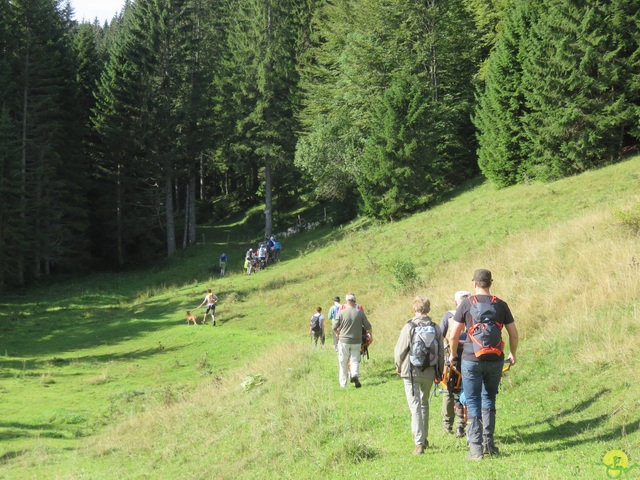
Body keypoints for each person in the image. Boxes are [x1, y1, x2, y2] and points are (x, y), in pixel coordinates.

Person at [448, 269, 519, 460]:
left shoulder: (467, 304)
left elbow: (453, 334)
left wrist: (453, 355)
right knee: (489, 399)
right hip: (495, 359)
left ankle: (475, 450)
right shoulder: (501, 305)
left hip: (472, 359)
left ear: (474, 284)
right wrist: (512, 353)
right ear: (490, 283)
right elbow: (514, 334)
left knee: (472, 402)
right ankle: (489, 444)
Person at [394, 296, 444, 454]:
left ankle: (419, 443)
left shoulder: (409, 326)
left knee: (414, 406)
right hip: (429, 372)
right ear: (428, 310)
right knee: (424, 404)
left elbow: (400, 350)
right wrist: (439, 373)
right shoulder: (436, 328)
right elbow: (441, 353)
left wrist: (398, 366)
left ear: (414, 309)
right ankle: (424, 438)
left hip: (411, 371)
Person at [440, 290, 470, 438]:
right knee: (463, 390)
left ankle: (448, 425)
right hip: (469, 358)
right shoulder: (474, 313)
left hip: (452, 359)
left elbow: (440, 336)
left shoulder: (449, 315)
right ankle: (459, 426)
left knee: (448, 390)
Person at [333, 293, 372, 388]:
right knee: (354, 360)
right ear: (355, 302)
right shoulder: (360, 313)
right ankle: (354, 375)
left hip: (344, 341)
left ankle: (343, 384)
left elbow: (334, 326)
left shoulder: (341, 312)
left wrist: (338, 334)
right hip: (356, 341)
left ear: (347, 302)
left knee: (343, 361)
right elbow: (368, 326)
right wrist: (370, 335)